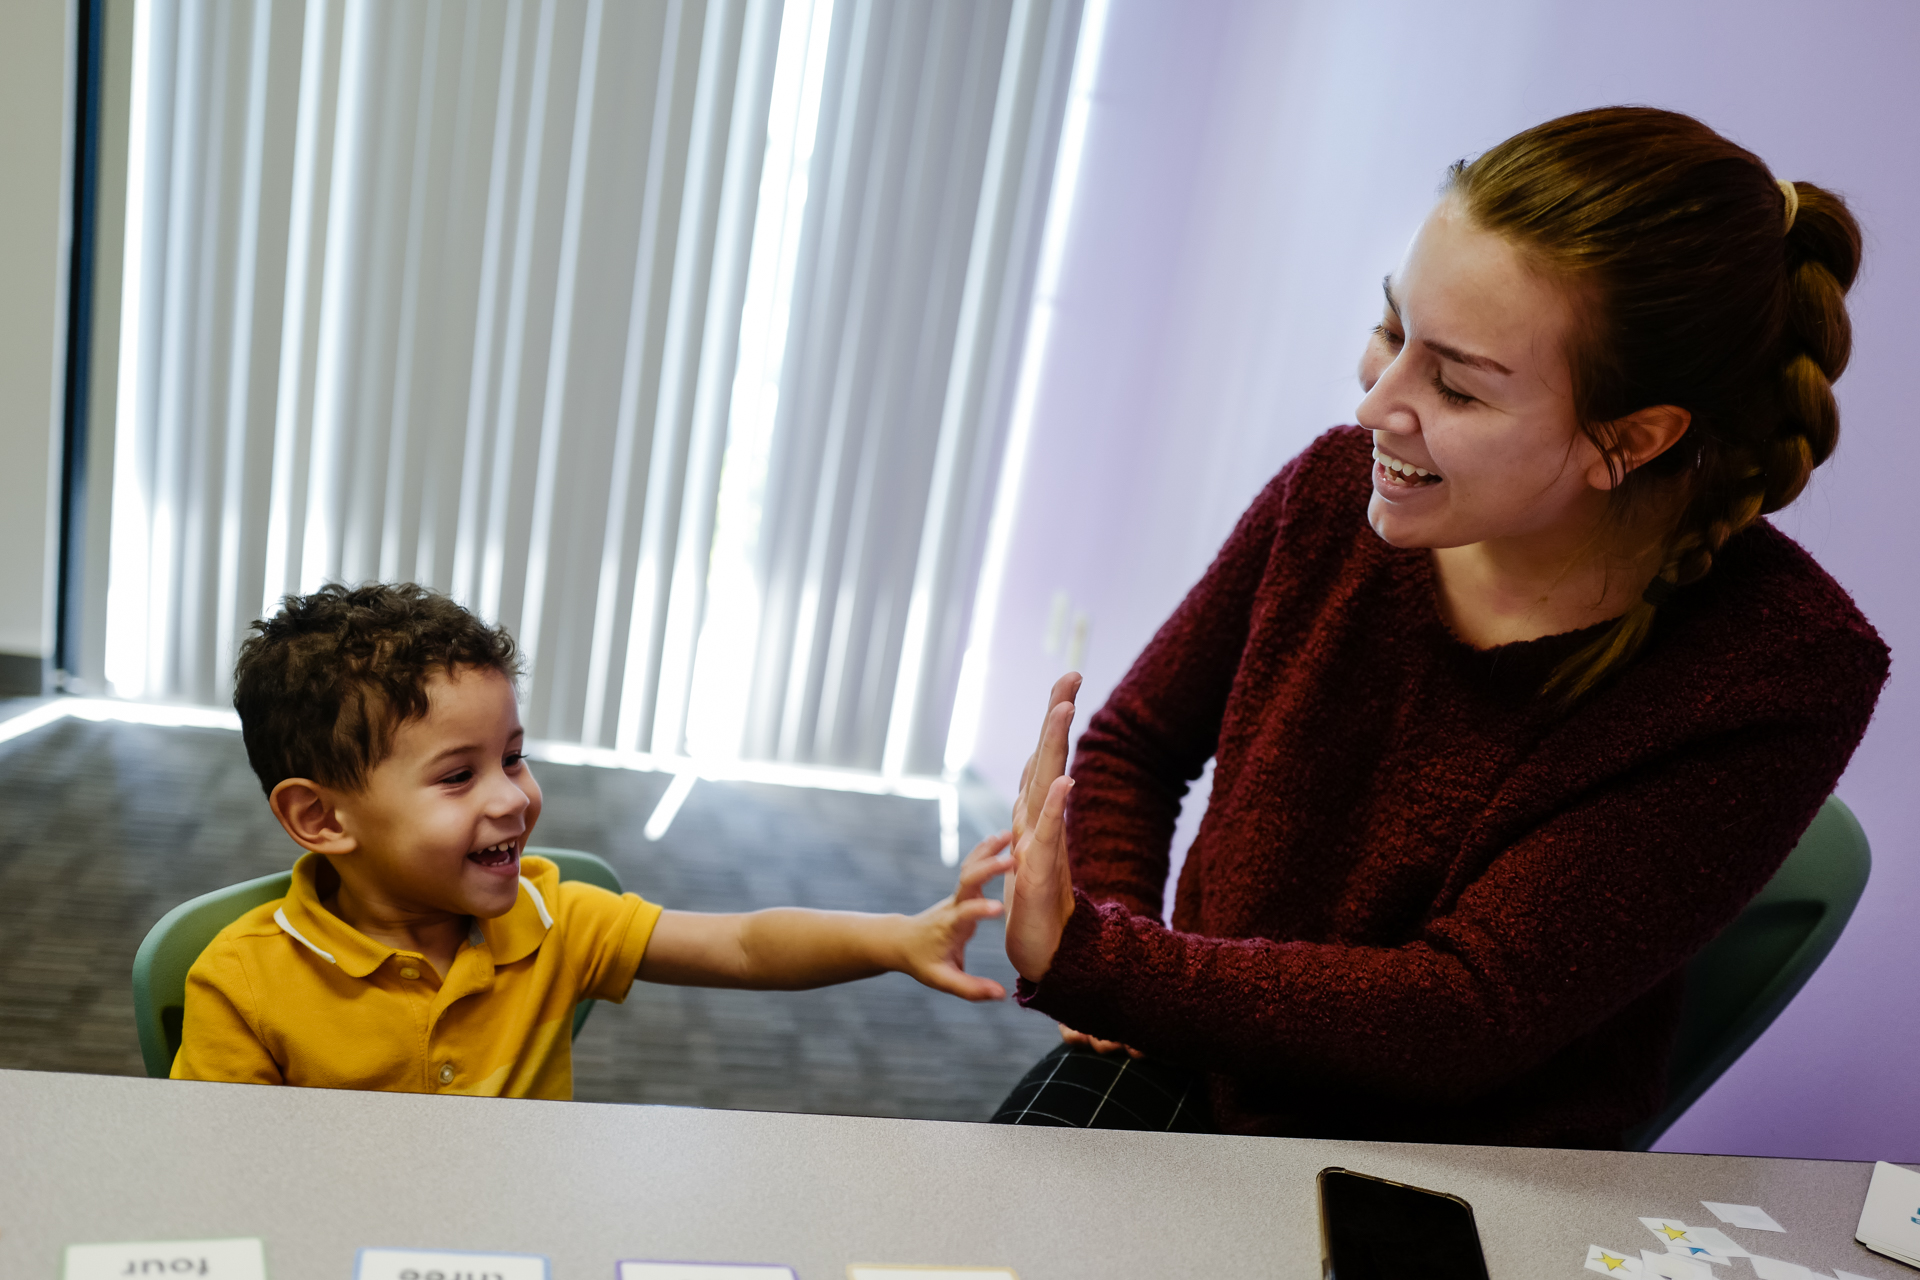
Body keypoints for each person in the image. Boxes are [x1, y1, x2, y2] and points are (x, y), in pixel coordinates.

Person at [991, 107, 1889, 1147]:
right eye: (1391, 329)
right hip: (1202, 1051)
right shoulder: (1332, 493)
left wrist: (1105, 962)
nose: (1378, 403)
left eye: (1455, 383)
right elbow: (1135, 747)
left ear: (1631, 439)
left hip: (1458, 1158)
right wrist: (1116, 954)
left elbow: (1464, 1013)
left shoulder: (1779, 670)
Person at [172, 582, 1015, 1097]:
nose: (515, 797)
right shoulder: (243, 984)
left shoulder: (553, 920)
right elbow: (221, 1176)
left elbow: (748, 948)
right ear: (322, 819)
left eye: (513, 757)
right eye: (458, 776)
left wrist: (900, 937)